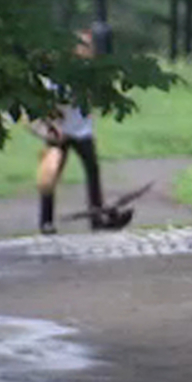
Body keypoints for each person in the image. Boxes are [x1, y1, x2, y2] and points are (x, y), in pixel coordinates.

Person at [32, 29, 131, 234]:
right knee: (50, 175)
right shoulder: (61, 73)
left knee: (93, 172)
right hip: (59, 132)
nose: (88, 50)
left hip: (82, 131)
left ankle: (96, 218)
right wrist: (53, 126)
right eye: (83, 46)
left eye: (89, 46)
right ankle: (46, 221)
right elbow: (48, 100)